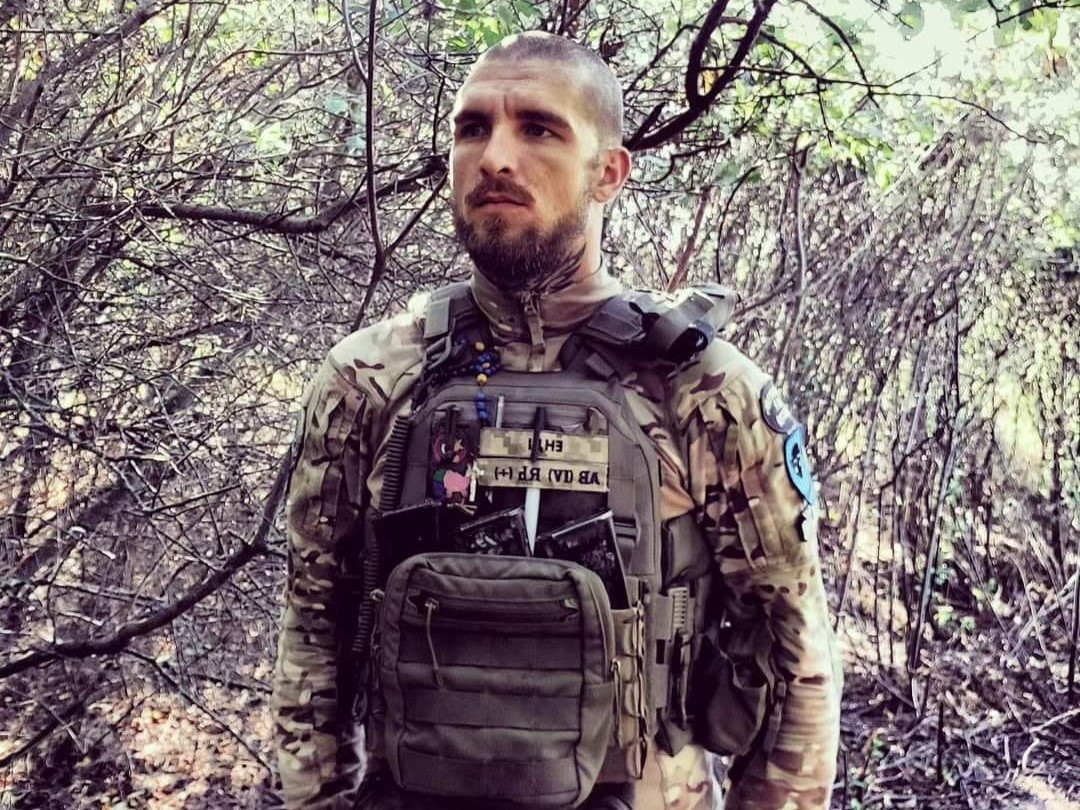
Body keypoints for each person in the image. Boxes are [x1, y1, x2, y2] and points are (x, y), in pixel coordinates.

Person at [272, 31, 841, 810]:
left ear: (608, 172)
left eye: (538, 128)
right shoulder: (369, 380)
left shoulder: (704, 391)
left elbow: (794, 654)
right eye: (473, 128)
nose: (496, 158)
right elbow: (314, 626)